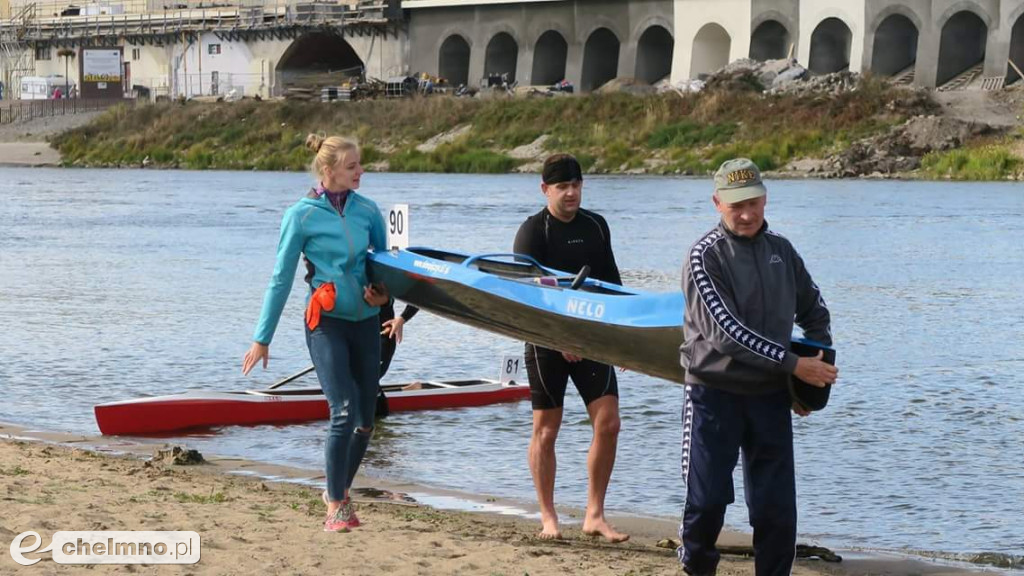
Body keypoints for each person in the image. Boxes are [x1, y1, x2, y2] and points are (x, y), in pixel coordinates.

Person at [677, 158, 838, 576]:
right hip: (713, 393)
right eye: (736, 206)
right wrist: (793, 365)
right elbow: (727, 334)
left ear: (765, 198)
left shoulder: (782, 252)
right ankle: (696, 568)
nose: (746, 215)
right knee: (708, 501)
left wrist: (808, 387)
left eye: (753, 203)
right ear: (717, 203)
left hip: (769, 397)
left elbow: (816, 314)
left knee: (777, 511)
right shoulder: (703, 257)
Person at [242, 134, 389, 533]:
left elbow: (385, 269)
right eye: (352, 166)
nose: (361, 172)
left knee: (364, 420)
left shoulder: (369, 212)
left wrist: (385, 301)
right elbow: (280, 278)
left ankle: (335, 490)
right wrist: (262, 337)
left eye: (360, 164)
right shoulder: (301, 215)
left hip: (365, 323)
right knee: (341, 410)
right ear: (329, 171)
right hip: (324, 323)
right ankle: (337, 505)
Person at [513, 153, 628, 543]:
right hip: (546, 338)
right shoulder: (533, 232)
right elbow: (524, 298)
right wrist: (560, 338)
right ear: (545, 189)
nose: (571, 193)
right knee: (546, 431)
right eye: (563, 187)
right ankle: (548, 516)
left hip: (591, 337)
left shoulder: (596, 226)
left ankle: (594, 514)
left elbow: (612, 286)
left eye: (576, 185)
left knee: (609, 423)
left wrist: (624, 342)